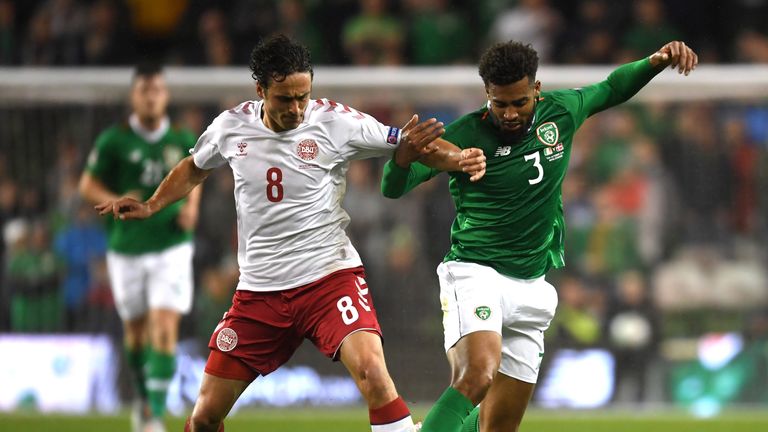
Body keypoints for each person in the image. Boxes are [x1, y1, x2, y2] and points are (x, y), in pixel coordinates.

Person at [96, 34, 486, 432]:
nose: (297, 108)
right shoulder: (231, 126)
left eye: (304, 96)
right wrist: (152, 204)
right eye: (285, 99)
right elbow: (194, 166)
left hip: (329, 280)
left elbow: (410, 143)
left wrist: (461, 158)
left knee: (373, 373)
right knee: (204, 416)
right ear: (261, 90)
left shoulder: (336, 121)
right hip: (260, 293)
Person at [380, 40, 698, 432]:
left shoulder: (560, 113)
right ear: (487, 96)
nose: (510, 114)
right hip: (476, 273)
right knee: (477, 374)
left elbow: (611, 88)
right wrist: (402, 158)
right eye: (500, 104)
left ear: (536, 89)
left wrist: (653, 62)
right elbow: (393, 187)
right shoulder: (464, 134)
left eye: (519, 102)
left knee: (498, 426)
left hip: (531, 285)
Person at [79, 63, 201, 432]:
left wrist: (191, 210)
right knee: (134, 332)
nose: (151, 96)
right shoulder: (113, 141)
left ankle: (153, 417)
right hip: (127, 247)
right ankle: (143, 398)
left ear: (165, 96)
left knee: (164, 327)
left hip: (172, 246)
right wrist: (116, 199)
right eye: (145, 90)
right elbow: (87, 185)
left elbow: (199, 173)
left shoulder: (181, 137)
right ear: (134, 96)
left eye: (157, 90)